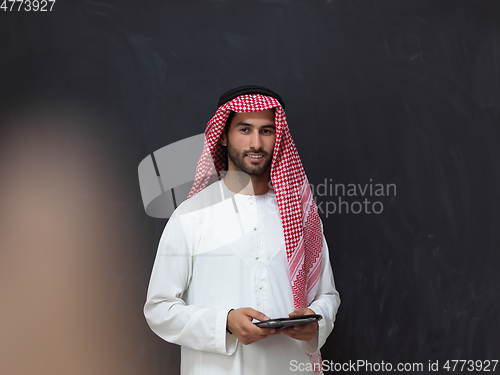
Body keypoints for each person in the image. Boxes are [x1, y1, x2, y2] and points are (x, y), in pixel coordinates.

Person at [144, 86, 340, 375]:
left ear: (279, 136)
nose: (256, 143)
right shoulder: (191, 216)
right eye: (245, 129)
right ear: (223, 135)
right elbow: (159, 309)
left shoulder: (302, 215)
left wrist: (315, 321)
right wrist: (225, 322)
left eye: (267, 131)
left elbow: (328, 296)